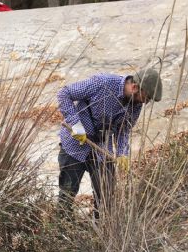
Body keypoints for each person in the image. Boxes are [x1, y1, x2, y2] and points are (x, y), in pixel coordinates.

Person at [57, 68, 162, 217]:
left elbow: (123, 130)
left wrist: (122, 154)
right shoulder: (102, 83)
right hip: (75, 145)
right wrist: (76, 124)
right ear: (134, 87)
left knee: (106, 196)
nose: (146, 102)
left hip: (101, 148)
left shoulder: (135, 105)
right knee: (67, 193)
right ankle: (61, 228)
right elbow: (64, 94)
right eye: (146, 97)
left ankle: (100, 229)